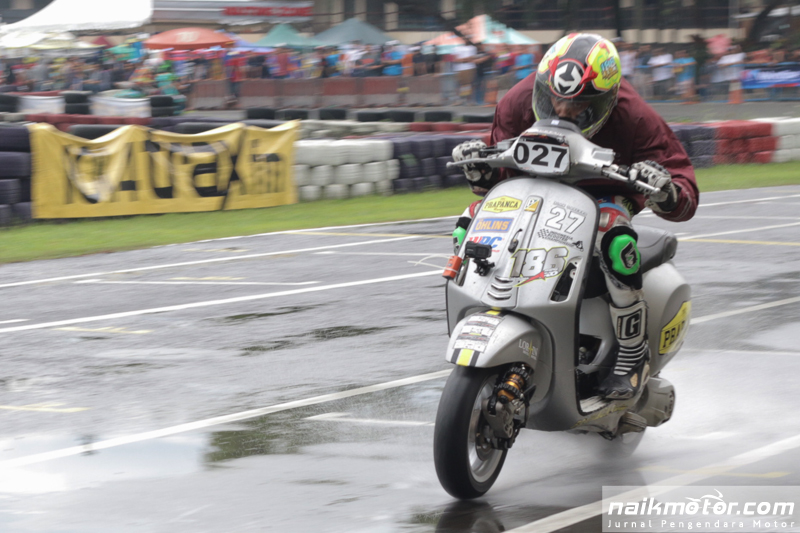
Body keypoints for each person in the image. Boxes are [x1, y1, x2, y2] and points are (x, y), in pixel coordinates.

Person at [450, 33, 699, 400]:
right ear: (542, 85)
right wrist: (479, 172)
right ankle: (478, 308)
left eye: (581, 106)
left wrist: (664, 189)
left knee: (613, 234)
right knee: (470, 219)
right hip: (530, 190)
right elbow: (496, 183)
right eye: (554, 101)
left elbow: (685, 193)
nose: (563, 112)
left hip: (602, 195)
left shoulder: (635, 116)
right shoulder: (517, 101)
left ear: (607, 100)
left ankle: (632, 353)